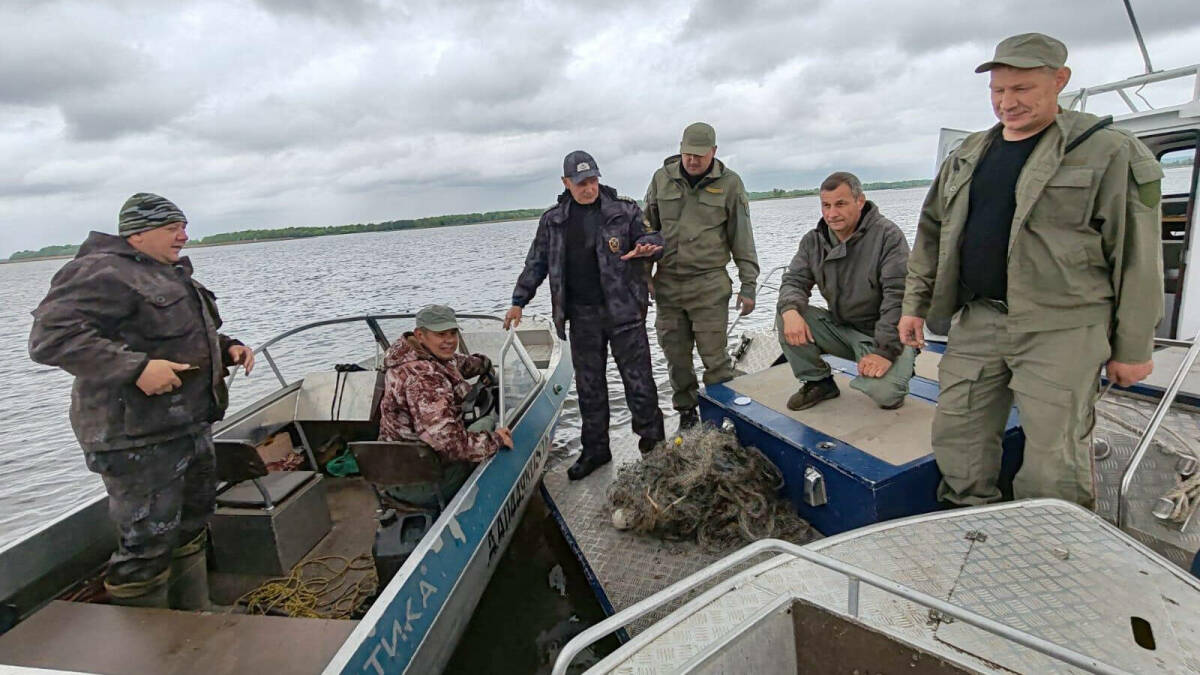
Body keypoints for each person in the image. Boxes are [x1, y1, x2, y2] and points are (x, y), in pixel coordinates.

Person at [899, 33, 1164, 508]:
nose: (1007, 102)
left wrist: (1133, 348)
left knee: (1052, 455)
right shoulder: (968, 154)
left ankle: (1051, 548)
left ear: (1059, 80)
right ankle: (968, 520)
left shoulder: (1108, 151)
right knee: (958, 431)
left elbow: (1137, 257)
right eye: (998, 91)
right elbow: (931, 236)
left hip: (1062, 325)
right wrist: (914, 306)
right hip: (978, 319)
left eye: (1021, 89)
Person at [28, 193, 255, 609]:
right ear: (137, 233)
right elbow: (50, 339)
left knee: (191, 524)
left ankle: (193, 617)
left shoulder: (167, 273)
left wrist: (228, 348)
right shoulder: (99, 272)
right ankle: (149, 644)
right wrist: (136, 369)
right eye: (173, 229)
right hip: (136, 438)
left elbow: (174, 336)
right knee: (146, 543)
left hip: (186, 425)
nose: (184, 237)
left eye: (183, 227)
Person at [505, 151, 666, 480]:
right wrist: (519, 300)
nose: (589, 187)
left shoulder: (624, 209)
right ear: (566, 183)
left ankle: (654, 445)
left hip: (625, 313)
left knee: (640, 383)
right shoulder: (553, 220)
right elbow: (536, 262)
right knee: (590, 387)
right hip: (581, 318)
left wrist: (649, 247)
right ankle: (596, 449)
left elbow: (652, 236)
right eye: (581, 183)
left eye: (593, 180)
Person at [644, 122, 759, 433]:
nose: (692, 161)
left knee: (715, 359)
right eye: (687, 154)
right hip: (669, 285)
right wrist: (644, 277)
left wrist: (748, 286)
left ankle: (721, 415)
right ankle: (687, 413)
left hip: (709, 284)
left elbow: (742, 238)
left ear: (714, 152)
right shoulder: (661, 179)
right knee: (676, 358)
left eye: (699, 155)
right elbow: (644, 231)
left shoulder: (730, 184)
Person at [777, 172, 914, 411]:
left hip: (886, 333)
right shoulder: (813, 241)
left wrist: (885, 352)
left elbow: (898, 297)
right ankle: (818, 381)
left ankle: (899, 365)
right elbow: (794, 281)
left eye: (840, 204)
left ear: (859, 201)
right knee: (787, 312)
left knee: (887, 395)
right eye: (826, 205)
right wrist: (790, 311)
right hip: (843, 329)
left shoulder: (888, 236)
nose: (832, 214)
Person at [378, 304, 514, 492]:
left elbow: (457, 364)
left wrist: (484, 364)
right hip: (423, 480)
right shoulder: (423, 378)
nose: (449, 340)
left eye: (453, 333)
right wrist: (495, 440)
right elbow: (447, 442)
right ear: (420, 335)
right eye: (441, 334)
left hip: (398, 468)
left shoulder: (420, 355)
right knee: (490, 419)